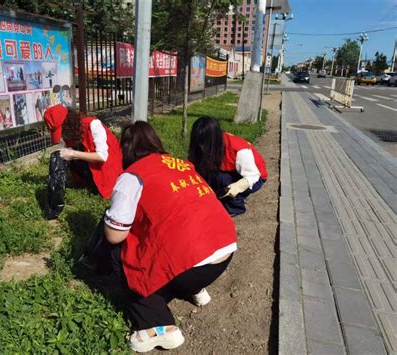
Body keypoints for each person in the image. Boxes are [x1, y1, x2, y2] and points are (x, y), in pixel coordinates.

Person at [101, 122, 237, 352]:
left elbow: (115, 236)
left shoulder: (133, 176)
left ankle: (158, 327)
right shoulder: (181, 165)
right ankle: (194, 290)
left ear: (125, 150)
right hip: (225, 250)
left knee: (119, 253)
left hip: (194, 263)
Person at [188, 116, 267, 216]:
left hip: (254, 176)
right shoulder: (207, 146)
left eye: (204, 143)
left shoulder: (238, 149)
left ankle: (235, 207)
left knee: (222, 179)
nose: (201, 146)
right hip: (228, 169)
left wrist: (236, 187)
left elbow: (253, 176)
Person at [44, 107, 123, 200]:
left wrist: (74, 154)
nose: (62, 135)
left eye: (61, 130)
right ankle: (86, 181)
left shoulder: (93, 125)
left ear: (68, 123)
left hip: (108, 165)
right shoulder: (71, 133)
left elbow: (102, 156)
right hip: (90, 162)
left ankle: (95, 183)